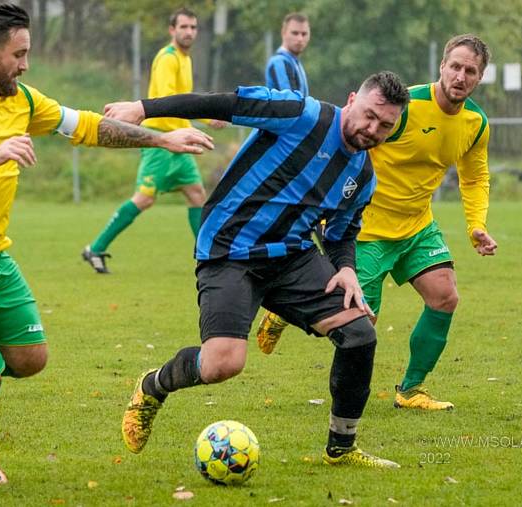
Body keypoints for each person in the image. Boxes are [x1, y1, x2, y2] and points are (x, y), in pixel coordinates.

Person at [0, 2, 213, 487]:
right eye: (19, 53)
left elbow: (89, 126)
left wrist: (162, 141)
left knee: (30, 359)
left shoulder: (23, 100)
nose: (25, 63)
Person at [106, 72, 410, 468]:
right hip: (230, 251)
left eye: (385, 125)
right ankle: (152, 387)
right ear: (352, 99)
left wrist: (347, 269)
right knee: (223, 364)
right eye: (369, 116)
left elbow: (340, 233)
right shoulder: (301, 114)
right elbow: (224, 102)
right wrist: (143, 109)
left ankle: (342, 447)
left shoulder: (362, 177)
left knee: (359, 335)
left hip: (292, 258)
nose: (373, 129)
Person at [257, 34, 498, 411]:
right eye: (455, 66)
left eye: (470, 71)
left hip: (417, 226)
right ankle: (284, 310)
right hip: (365, 229)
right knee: (358, 325)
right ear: (442, 66)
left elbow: (475, 177)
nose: (460, 76)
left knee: (445, 296)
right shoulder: (406, 106)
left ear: (480, 77)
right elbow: (349, 140)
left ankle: (411, 389)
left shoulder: (475, 124)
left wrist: (476, 225)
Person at [82, 7, 226, 274]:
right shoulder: (167, 58)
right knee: (144, 199)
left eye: (193, 27)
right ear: (172, 30)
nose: (189, 32)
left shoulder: (186, 59)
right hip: (162, 141)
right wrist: (198, 121)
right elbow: (168, 102)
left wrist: (207, 118)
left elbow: (185, 99)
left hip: (180, 143)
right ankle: (95, 248)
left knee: (197, 195)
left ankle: (205, 258)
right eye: (183, 27)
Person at [265, 12, 310, 96]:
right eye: (295, 33)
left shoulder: (294, 62)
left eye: (304, 34)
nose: (300, 38)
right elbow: (292, 102)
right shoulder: (279, 62)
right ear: (283, 33)